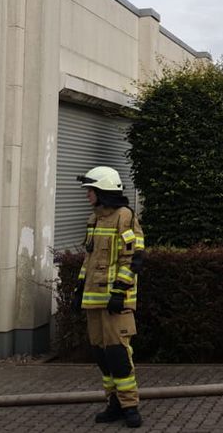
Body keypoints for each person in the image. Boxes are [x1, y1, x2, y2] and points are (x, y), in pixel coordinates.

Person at [74, 167, 146, 428]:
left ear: (103, 190)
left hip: (117, 302)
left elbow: (133, 258)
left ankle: (130, 406)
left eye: (91, 190)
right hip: (94, 301)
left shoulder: (124, 217)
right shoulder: (94, 220)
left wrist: (119, 291)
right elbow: (89, 259)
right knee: (102, 355)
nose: (87, 195)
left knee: (118, 354)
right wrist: (79, 288)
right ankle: (113, 402)